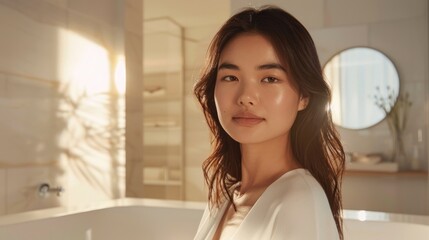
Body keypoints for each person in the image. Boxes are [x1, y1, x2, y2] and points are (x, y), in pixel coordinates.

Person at [192, 5, 345, 240]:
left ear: (303, 96)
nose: (245, 97)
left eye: (269, 78)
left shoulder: (299, 200)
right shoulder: (228, 194)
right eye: (230, 77)